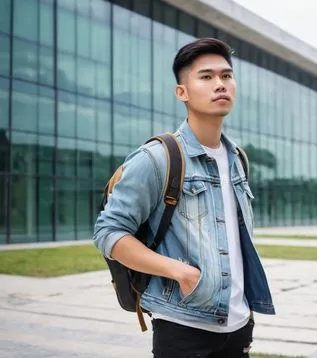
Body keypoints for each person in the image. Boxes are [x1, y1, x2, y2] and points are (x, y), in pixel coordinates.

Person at [93, 37, 275, 357]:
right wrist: (179, 272)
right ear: (182, 92)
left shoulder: (238, 160)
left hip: (239, 322)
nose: (220, 84)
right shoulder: (158, 158)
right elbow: (109, 233)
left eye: (226, 75)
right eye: (206, 77)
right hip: (183, 327)